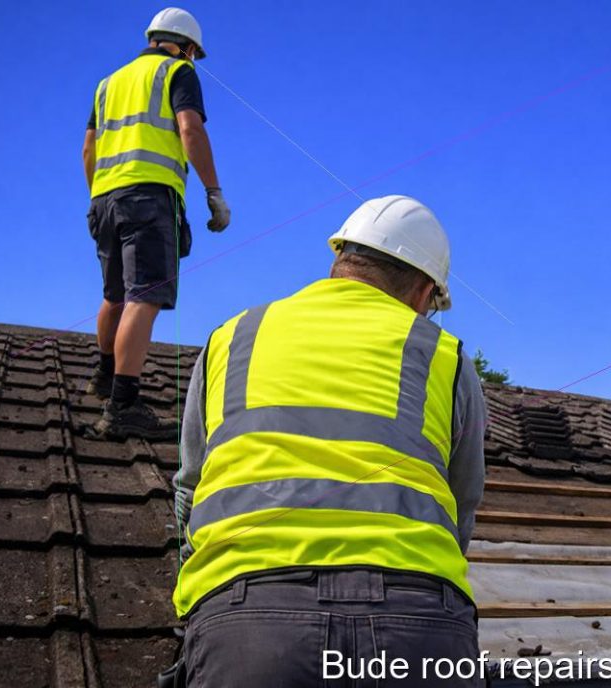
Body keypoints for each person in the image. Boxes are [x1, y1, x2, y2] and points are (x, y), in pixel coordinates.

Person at [172, 195, 487, 687]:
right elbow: (462, 503)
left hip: (250, 621)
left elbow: (191, 490)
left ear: (342, 259)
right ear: (426, 292)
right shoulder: (445, 356)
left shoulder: (233, 337)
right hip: (420, 626)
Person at [82, 7, 230, 440]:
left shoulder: (108, 82)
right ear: (186, 47)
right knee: (143, 295)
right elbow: (190, 130)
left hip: (105, 197)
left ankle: (105, 377)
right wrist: (213, 192)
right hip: (150, 197)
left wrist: (98, 195)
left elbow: (88, 148)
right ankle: (123, 406)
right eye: (193, 54)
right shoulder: (178, 73)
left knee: (113, 295)